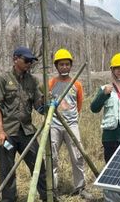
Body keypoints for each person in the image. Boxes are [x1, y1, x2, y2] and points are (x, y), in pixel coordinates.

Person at [0, 46, 47, 202]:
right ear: (15, 59)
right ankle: (9, 199)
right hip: (7, 135)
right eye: (26, 60)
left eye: (31, 61)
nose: (29, 64)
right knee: (7, 170)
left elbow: (38, 106)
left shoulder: (33, 81)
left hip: (27, 132)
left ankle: (48, 196)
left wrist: (46, 102)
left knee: (38, 165)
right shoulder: (2, 80)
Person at [48, 48, 92, 199]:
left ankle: (80, 188)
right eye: (61, 65)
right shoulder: (51, 83)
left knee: (77, 156)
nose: (64, 67)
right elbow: (47, 103)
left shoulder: (76, 84)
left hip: (72, 125)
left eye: (67, 64)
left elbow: (79, 105)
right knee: (52, 157)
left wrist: (72, 119)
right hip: (54, 125)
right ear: (57, 66)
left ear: (71, 66)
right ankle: (52, 190)